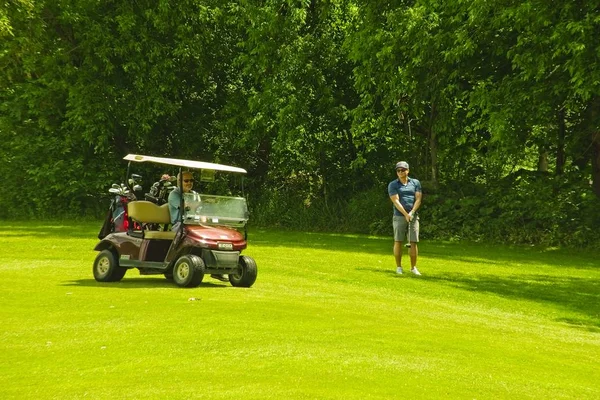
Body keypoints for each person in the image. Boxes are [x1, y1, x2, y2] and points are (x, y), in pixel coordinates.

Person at [168, 171, 228, 282]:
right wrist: (203, 202)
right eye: (186, 181)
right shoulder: (174, 194)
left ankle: (218, 269)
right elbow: (186, 206)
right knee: (199, 239)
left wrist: (206, 222)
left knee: (215, 236)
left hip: (195, 225)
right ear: (179, 182)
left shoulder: (195, 194)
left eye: (191, 180)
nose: (189, 183)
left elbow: (200, 212)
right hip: (180, 225)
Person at [388, 161, 422, 275]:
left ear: (407, 171)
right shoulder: (393, 184)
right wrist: (405, 214)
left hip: (413, 215)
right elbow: (395, 201)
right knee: (398, 240)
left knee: (413, 241)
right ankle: (399, 267)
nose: (400, 172)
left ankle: (413, 268)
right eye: (398, 170)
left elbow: (418, 199)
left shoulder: (415, 182)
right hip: (399, 216)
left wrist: (412, 212)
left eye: (403, 170)